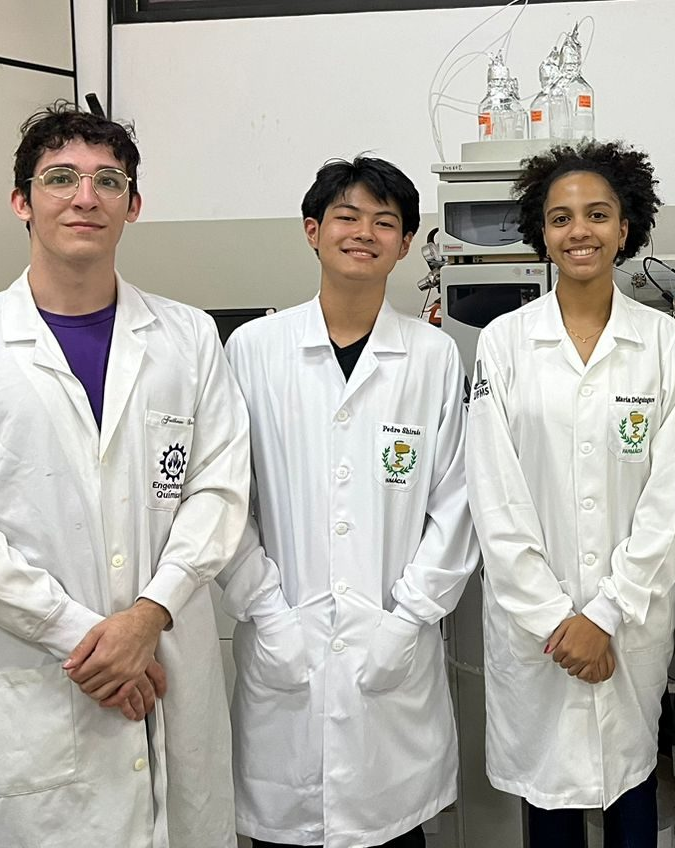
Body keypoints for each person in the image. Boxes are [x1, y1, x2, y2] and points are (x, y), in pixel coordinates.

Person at [0, 102, 248, 847]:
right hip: (39, 693)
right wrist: (84, 637)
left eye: (107, 181)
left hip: (166, 663)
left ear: (132, 205)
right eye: (61, 178)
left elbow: (218, 491)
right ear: (21, 201)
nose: (85, 197)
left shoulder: (188, 339)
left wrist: (148, 616)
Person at [217, 157, 476, 848]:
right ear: (313, 230)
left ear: (406, 243)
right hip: (285, 643)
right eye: (347, 217)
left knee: (392, 832)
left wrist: (407, 619)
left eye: (384, 222)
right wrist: (267, 612)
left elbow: (457, 505)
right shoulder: (254, 350)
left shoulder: (432, 356)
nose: (364, 233)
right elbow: (224, 502)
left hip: (393, 652)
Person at [466, 140, 675, 847]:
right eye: (561, 218)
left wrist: (607, 613)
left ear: (626, 228)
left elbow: (670, 498)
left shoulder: (662, 343)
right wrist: (557, 618)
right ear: (542, 233)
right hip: (540, 629)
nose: (579, 231)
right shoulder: (504, 343)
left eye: (597, 214)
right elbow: (494, 495)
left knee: (631, 786)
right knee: (551, 803)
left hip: (629, 620)